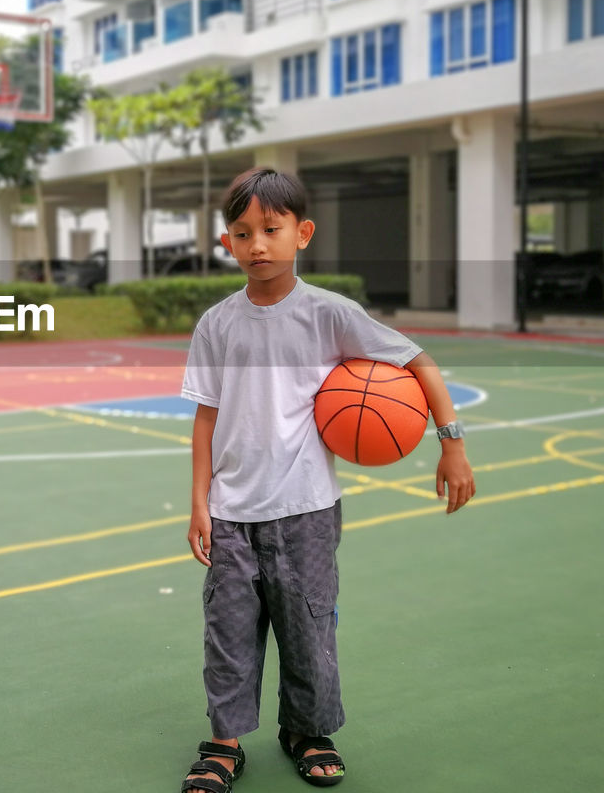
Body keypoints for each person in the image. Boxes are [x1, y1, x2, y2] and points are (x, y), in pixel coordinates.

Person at [178, 167, 475, 791]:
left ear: (302, 233)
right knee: (229, 632)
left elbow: (418, 360)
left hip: (307, 508)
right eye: (242, 232)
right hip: (231, 510)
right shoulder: (217, 324)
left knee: (309, 628)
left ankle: (307, 730)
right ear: (227, 242)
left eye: (271, 229)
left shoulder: (330, 314)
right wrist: (199, 501)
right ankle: (225, 742)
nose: (257, 244)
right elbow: (206, 418)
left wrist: (451, 445)